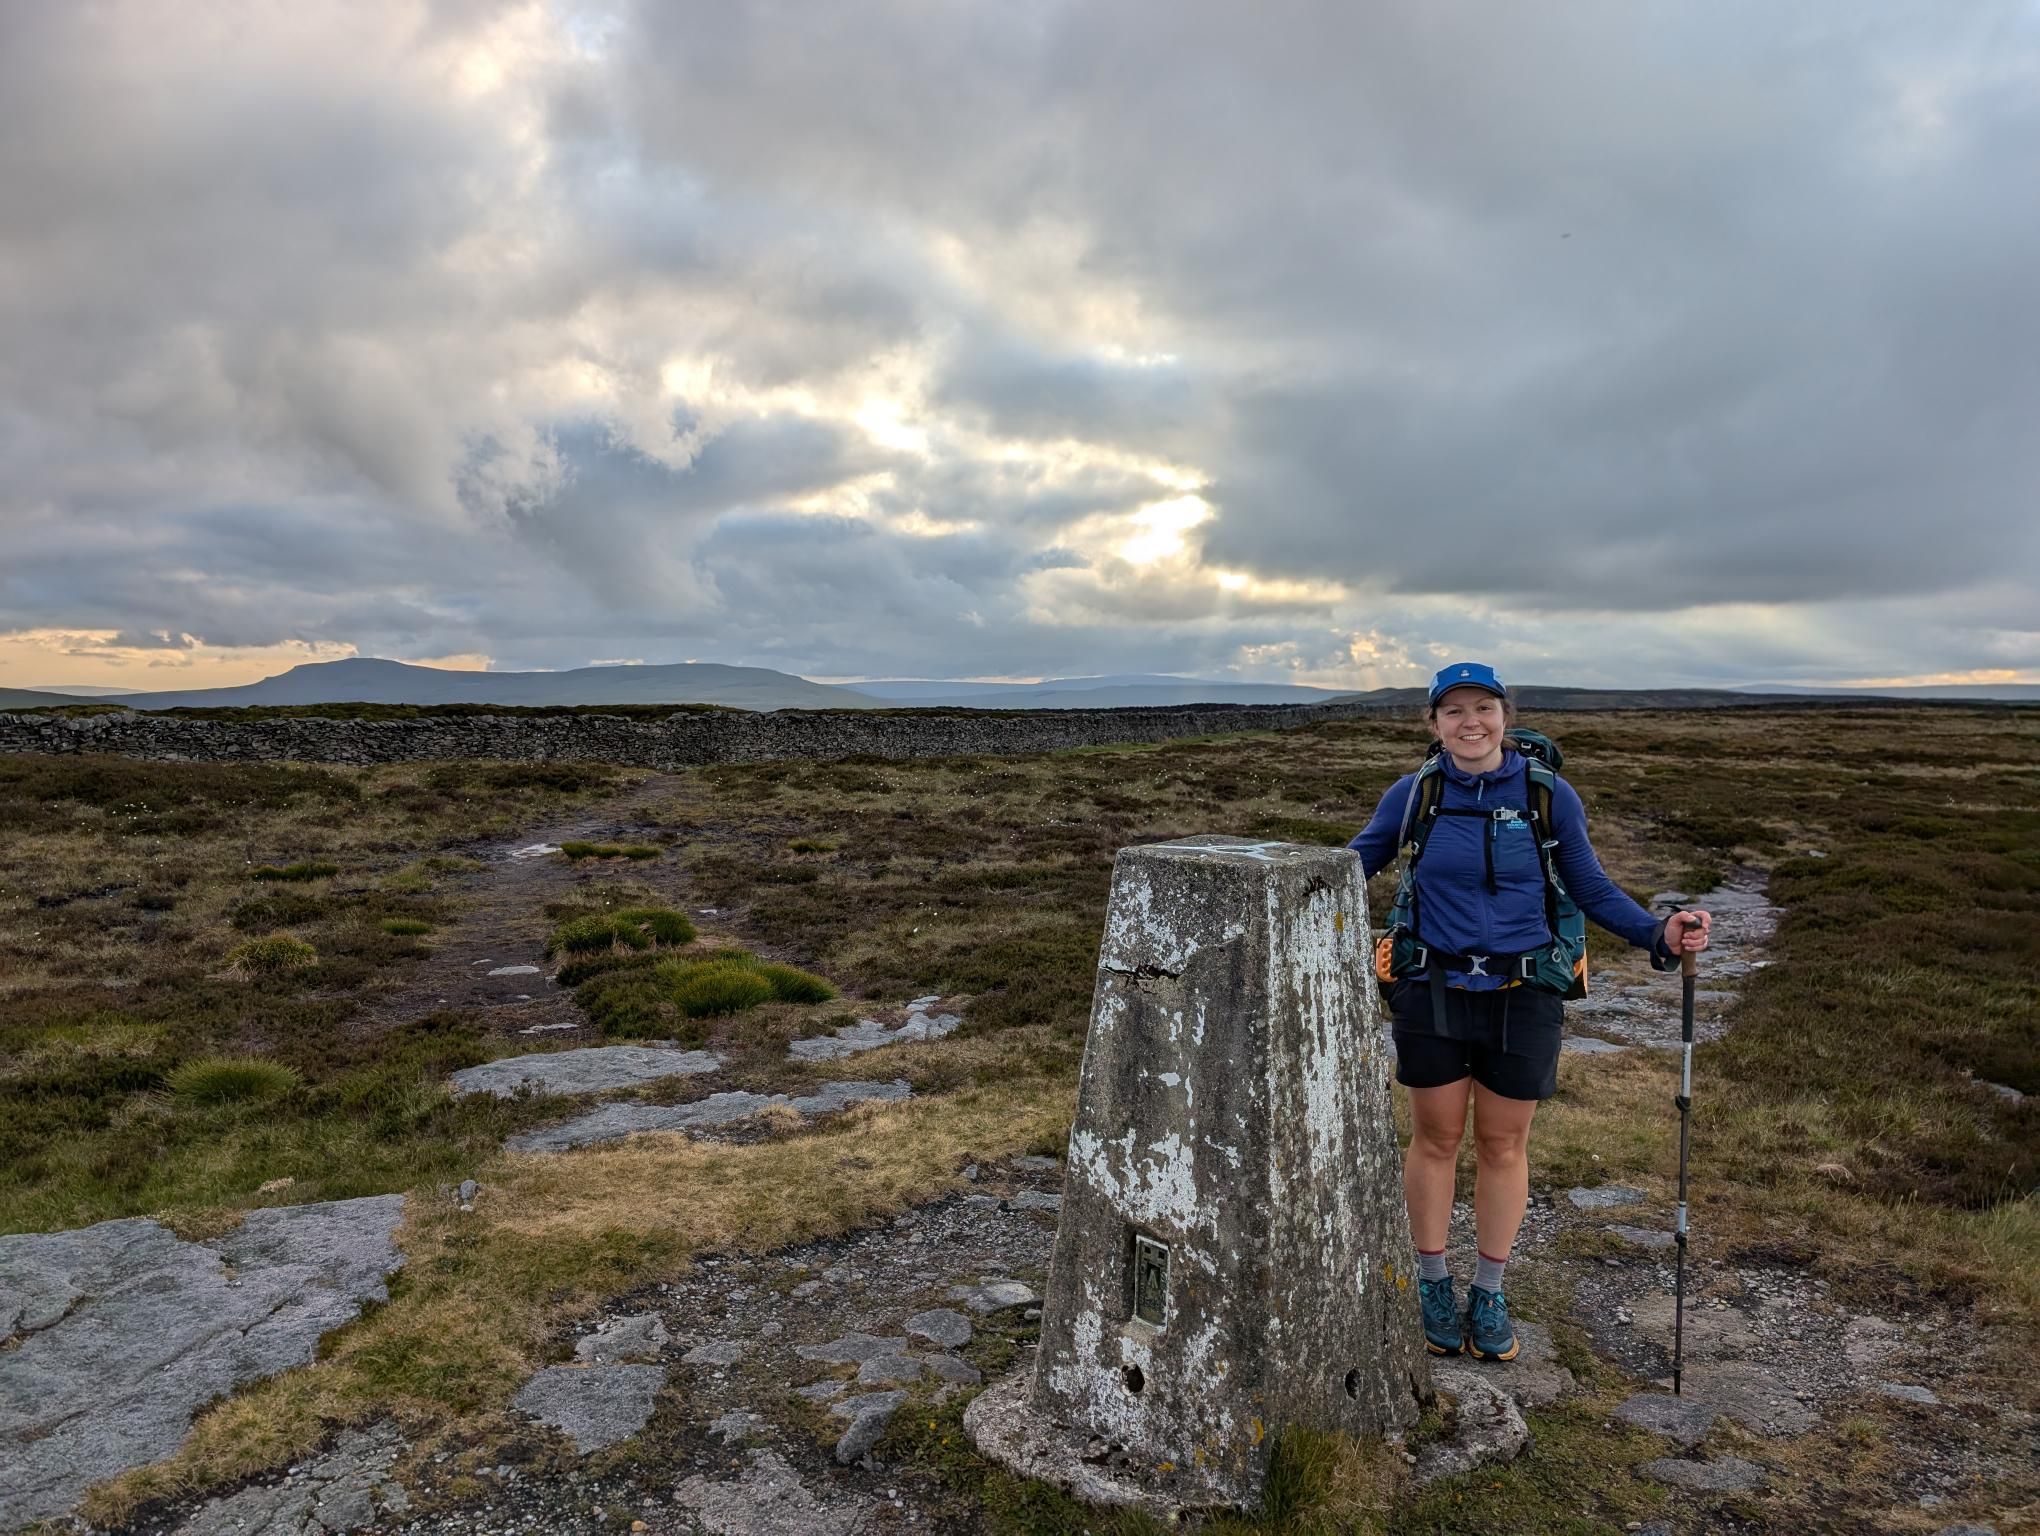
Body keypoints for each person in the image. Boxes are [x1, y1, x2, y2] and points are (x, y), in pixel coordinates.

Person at [1349, 661, 1711, 1361]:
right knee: (1435, 1140)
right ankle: (1431, 1283)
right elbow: (1352, 864)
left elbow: (1592, 887)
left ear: (1505, 716)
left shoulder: (1548, 795)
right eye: (1453, 711)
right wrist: (1272, 898)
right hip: (1432, 989)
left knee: (1503, 1146)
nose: (1470, 722)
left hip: (1527, 994)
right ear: (1433, 724)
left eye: (1482, 708)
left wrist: (1656, 934)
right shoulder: (1414, 794)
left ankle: (1488, 1291)